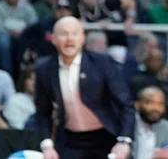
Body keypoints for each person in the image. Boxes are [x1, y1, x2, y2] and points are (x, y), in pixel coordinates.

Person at [34, 16, 135, 159]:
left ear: (82, 38)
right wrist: (47, 145)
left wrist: (124, 140)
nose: (69, 39)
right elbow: (43, 112)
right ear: (53, 39)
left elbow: (126, 104)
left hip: (106, 137)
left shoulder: (102, 63)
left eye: (74, 33)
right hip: (70, 140)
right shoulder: (44, 68)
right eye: (63, 34)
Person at [134, 87, 168, 159]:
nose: (156, 108)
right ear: (137, 105)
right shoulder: (128, 126)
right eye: (150, 102)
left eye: (160, 104)